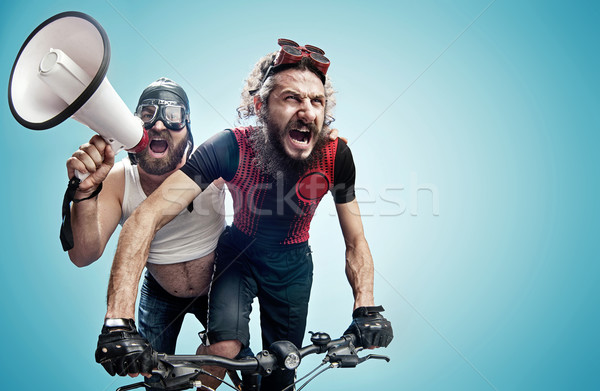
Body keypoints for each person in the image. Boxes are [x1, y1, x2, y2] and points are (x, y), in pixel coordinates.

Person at [95, 39, 393, 390]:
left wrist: (367, 308)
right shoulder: (228, 147)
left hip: (293, 267)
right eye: (292, 98)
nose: (309, 111)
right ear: (260, 105)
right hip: (239, 255)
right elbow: (146, 216)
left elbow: (356, 241)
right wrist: (117, 322)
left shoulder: (336, 156)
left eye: (317, 101)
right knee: (224, 347)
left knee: (282, 372)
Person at [64, 78, 226, 384]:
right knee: (155, 379)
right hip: (159, 293)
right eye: (147, 115)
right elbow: (83, 255)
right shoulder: (118, 179)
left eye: (174, 117)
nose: (160, 125)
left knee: (228, 360)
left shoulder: (212, 167)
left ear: (188, 127)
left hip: (216, 289)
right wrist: (84, 194)